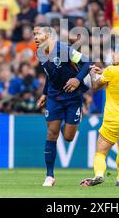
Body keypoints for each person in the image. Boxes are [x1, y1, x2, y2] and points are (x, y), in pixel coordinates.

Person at [33, 23, 91, 187]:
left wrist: (77, 79)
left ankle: (71, 118)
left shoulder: (64, 50)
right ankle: (49, 176)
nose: (35, 37)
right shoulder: (40, 53)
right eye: (34, 34)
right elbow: (49, 75)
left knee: (68, 137)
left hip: (73, 97)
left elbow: (87, 62)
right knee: (52, 133)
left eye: (38, 34)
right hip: (54, 97)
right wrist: (44, 93)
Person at [80, 42, 119, 187]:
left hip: (114, 118)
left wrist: (93, 74)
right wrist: (104, 73)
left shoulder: (111, 71)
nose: (113, 55)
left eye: (116, 53)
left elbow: (95, 86)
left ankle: (99, 175)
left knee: (101, 151)